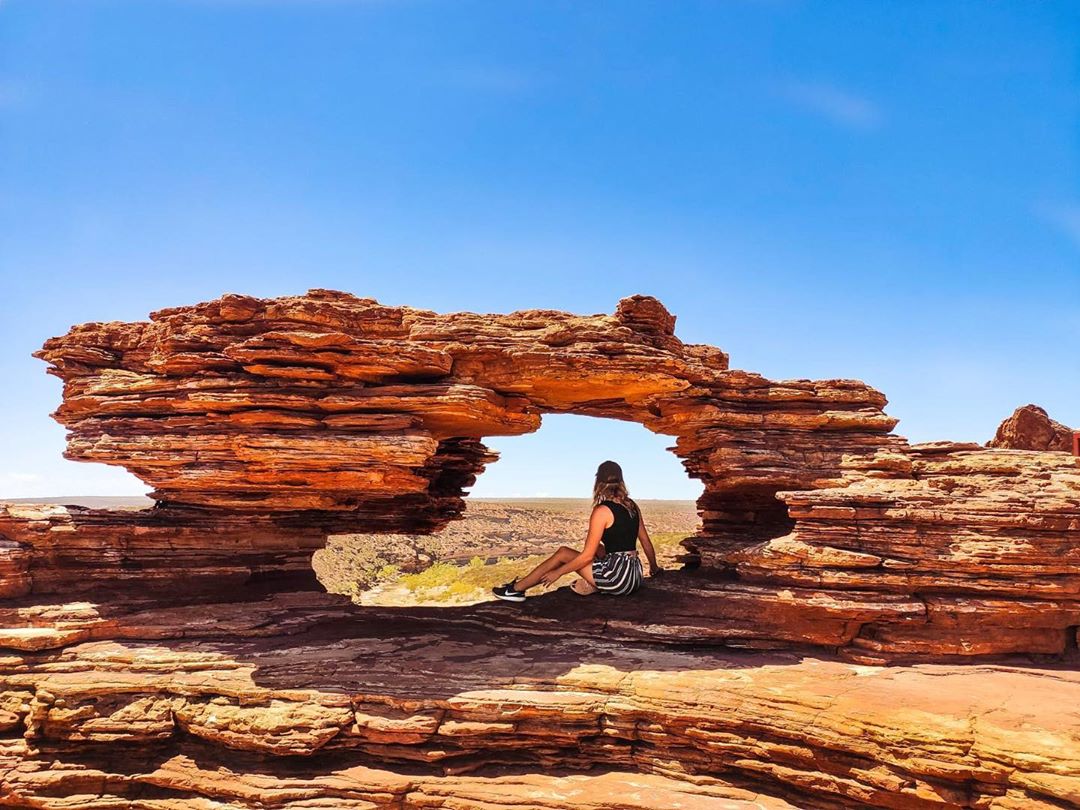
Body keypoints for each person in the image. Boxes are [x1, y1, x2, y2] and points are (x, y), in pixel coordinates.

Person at [492, 460, 663, 602]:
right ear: (621, 481)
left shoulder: (601, 511)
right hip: (634, 576)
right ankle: (596, 585)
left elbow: (586, 557)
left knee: (563, 553)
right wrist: (654, 569)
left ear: (598, 482)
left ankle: (515, 590)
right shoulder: (631, 505)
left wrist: (558, 572)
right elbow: (646, 542)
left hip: (618, 578)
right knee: (596, 547)